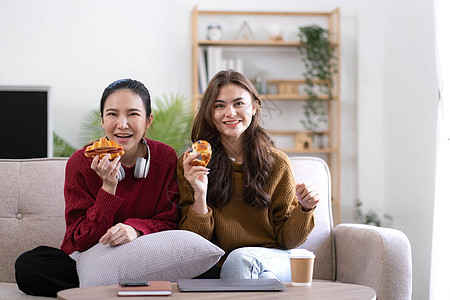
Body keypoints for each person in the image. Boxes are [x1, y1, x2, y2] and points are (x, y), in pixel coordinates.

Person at [15, 79, 180, 297]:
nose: (122, 124)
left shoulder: (165, 158)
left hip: (143, 258)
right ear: (102, 120)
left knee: (210, 272)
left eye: (133, 114)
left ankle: (105, 288)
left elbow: (172, 223)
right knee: (30, 265)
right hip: (91, 258)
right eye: (112, 114)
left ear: (148, 120)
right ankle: (124, 287)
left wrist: (136, 230)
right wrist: (108, 188)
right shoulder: (80, 162)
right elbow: (80, 240)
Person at [177, 69, 320, 281]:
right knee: (255, 276)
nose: (230, 113)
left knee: (241, 260)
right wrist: (200, 194)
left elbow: (288, 240)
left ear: (254, 106)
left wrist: (305, 208)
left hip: (272, 256)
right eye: (219, 106)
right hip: (222, 268)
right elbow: (195, 245)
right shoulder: (192, 163)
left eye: (238, 104)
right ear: (209, 112)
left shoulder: (277, 164)